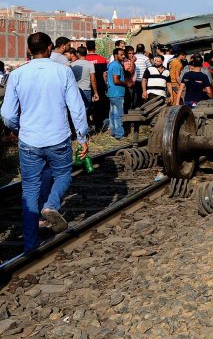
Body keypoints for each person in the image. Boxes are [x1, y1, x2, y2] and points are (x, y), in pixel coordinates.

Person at [1, 32, 88, 251]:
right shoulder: (63, 72)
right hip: (58, 137)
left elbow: (8, 114)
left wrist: (19, 129)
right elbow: (76, 108)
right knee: (63, 175)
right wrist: (82, 136)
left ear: (29, 50)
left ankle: (30, 245)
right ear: (50, 48)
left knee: (29, 190)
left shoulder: (17, 75)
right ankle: (51, 205)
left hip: (29, 141)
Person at [106, 47, 133, 138]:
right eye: (121, 54)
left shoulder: (111, 64)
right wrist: (127, 83)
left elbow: (106, 76)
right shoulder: (117, 66)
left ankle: (113, 132)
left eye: (124, 54)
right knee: (119, 115)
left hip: (112, 92)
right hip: (117, 93)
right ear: (115, 55)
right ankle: (119, 134)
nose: (123, 56)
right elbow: (116, 80)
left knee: (113, 114)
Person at [69, 46, 100, 121]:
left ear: (77, 54)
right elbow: (93, 79)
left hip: (75, 90)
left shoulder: (72, 64)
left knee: (75, 109)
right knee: (85, 110)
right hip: (87, 89)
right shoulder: (90, 64)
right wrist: (96, 92)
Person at [122, 46, 136, 111]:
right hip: (128, 85)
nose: (132, 55)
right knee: (129, 104)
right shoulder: (125, 62)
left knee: (132, 103)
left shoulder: (130, 61)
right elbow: (129, 72)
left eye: (133, 53)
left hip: (132, 84)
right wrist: (132, 62)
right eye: (130, 53)